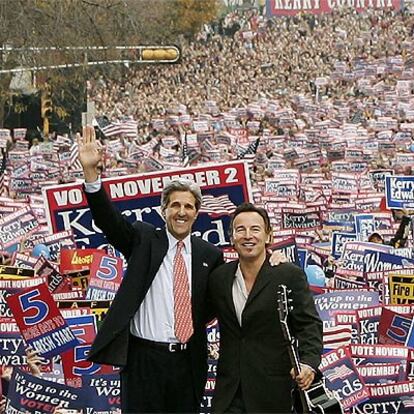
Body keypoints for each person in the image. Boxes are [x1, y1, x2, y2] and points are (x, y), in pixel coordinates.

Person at [78, 126, 286, 413]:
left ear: (197, 213)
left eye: (188, 206)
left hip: (188, 363)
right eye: (174, 205)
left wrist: (270, 262)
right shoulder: (142, 239)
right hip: (143, 362)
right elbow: (108, 221)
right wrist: (92, 177)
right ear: (164, 210)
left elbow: (223, 297)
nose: (181, 211)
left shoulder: (209, 255)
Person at [208, 202, 323, 413]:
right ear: (232, 237)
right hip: (229, 392)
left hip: (273, 392)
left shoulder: (288, 275)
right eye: (240, 229)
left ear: (268, 236)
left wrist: (308, 363)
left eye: (255, 229)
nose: (247, 235)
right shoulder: (219, 278)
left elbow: (309, 325)